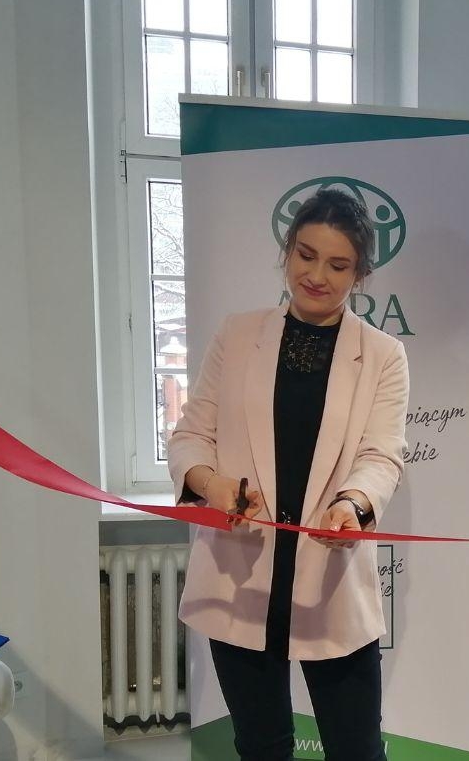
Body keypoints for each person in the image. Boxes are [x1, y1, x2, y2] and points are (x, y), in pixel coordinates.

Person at [168, 189, 408, 760]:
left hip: (330, 576)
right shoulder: (237, 335)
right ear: (287, 251)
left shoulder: (383, 355)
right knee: (261, 748)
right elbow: (190, 437)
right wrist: (213, 485)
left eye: (338, 265)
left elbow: (382, 455)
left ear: (361, 273)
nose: (316, 276)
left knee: (357, 750)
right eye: (305, 255)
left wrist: (353, 504)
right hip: (240, 576)